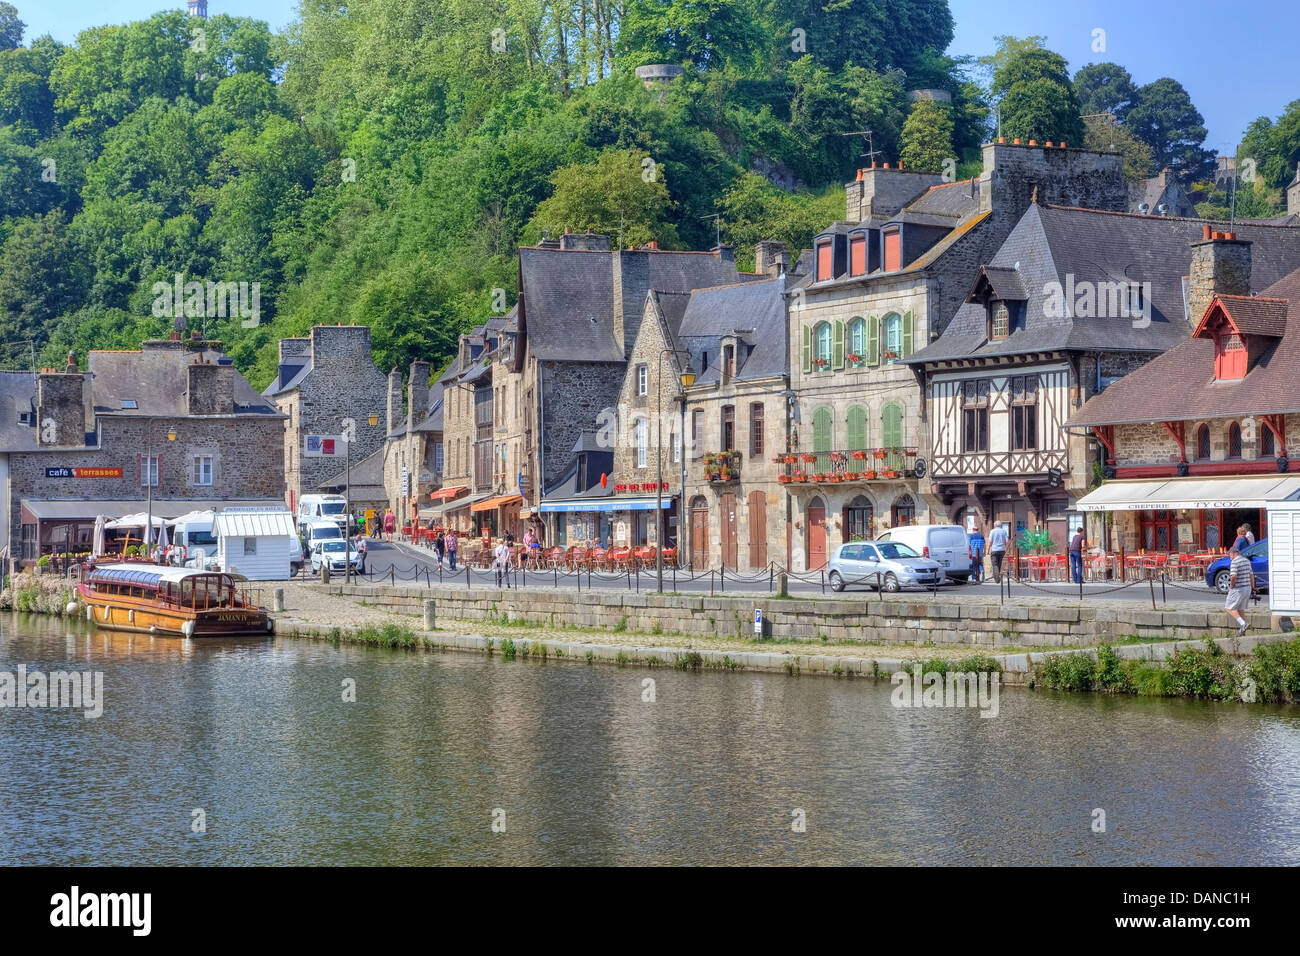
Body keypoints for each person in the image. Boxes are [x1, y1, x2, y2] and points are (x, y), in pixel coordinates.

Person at [1224, 544, 1254, 635]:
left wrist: (1231, 587)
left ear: (1233, 553)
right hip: (1247, 588)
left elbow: (1233, 576)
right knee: (1240, 609)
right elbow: (1251, 575)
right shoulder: (1246, 561)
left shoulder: (1234, 562)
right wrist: (1253, 588)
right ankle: (1242, 632)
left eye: (1229, 554)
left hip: (1238, 589)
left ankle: (1243, 623)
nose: (1229, 556)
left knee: (1229, 608)